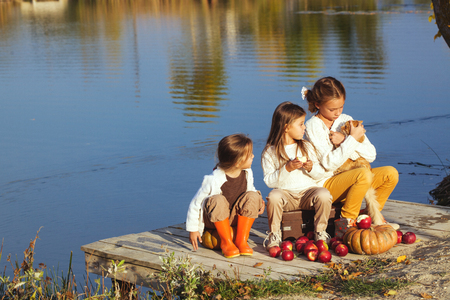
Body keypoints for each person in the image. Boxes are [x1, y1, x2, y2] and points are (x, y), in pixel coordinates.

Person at [303, 76, 399, 234]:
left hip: (352, 178)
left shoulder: (346, 120)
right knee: (363, 174)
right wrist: (352, 140)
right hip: (327, 184)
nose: (337, 113)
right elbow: (329, 163)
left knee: (390, 173)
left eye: (341, 107)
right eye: (332, 109)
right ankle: (347, 223)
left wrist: (345, 141)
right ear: (317, 104)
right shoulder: (313, 126)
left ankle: (370, 218)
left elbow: (371, 154)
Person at [261, 102, 333, 250]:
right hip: (286, 195)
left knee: (324, 194)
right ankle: (274, 235)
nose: (304, 127)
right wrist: (287, 168)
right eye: (300, 124)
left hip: (308, 193)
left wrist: (311, 167)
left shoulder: (306, 146)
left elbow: (320, 174)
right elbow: (269, 181)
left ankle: (320, 232)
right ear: (286, 127)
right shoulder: (270, 151)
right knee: (273, 196)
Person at [186, 133, 265, 258]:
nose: (253, 156)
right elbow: (195, 203)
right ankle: (226, 242)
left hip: (233, 216)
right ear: (238, 162)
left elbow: (250, 190)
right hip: (214, 219)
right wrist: (193, 229)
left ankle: (241, 240)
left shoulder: (247, 173)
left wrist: (258, 201)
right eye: (250, 155)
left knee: (254, 195)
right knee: (218, 199)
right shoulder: (213, 179)